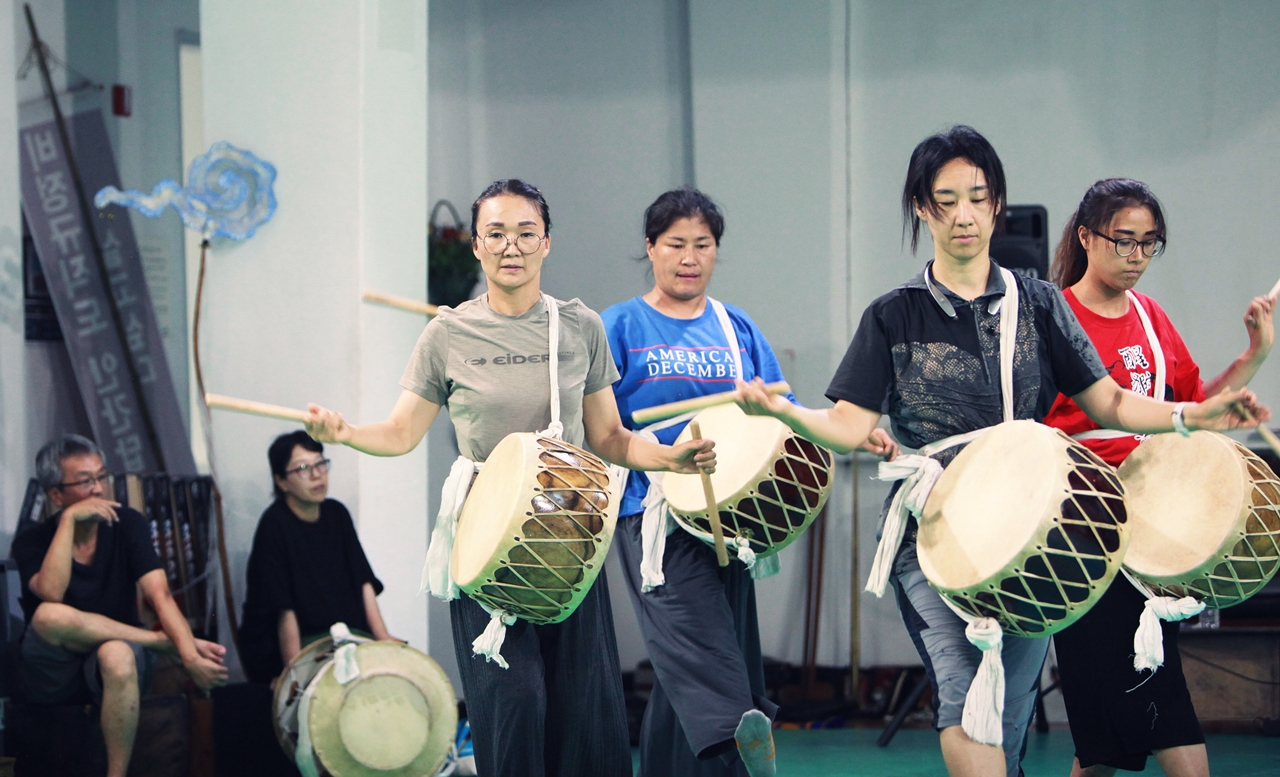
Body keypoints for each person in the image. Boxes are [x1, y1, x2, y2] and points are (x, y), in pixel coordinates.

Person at [733, 126, 1267, 777]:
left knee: (1008, 717)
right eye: (946, 199)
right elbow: (848, 424)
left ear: (996, 205)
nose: (964, 213)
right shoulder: (893, 315)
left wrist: (1193, 413)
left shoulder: (1038, 302)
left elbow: (1111, 403)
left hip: (1033, 530)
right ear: (923, 209)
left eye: (978, 197)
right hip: (934, 535)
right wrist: (787, 411)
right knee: (965, 700)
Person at [304, 179, 716, 777]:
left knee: (586, 715)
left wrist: (669, 458)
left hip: (572, 537)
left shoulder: (580, 327)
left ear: (546, 243)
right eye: (495, 233)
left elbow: (610, 438)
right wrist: (343, 435)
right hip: (485, 541)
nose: (511, 246)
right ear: (476, 246)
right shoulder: (447, 334)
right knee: (514, 702)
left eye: (525, 233)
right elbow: (399, 433)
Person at [601, 188, 894, 777]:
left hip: (728, 516)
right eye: (676, 244)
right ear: (650, 248)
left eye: (703, 245)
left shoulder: (734, 328)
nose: (690, 257)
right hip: (652, 509)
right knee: (704, 653)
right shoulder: (619, 326)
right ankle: (742, 746)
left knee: (689, 662)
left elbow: (781, 408)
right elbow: (602, 425)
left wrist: (848, 431)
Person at [1042, 178, 1273, 777]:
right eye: (1123, 241)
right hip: (1080, 529)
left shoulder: (1151, 317)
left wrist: (1254, 355)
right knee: (1151, 723)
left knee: (1100, 748)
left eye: (1149, 243)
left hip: (1147, 530)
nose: (1137, 256)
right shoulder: (1052, 318)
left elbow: (1192, 411)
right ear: (1086, 238)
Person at [12, 434, 228, 777]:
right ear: (56, 495)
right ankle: (157, 642)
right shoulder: (31, 540)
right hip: (52, 669)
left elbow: (160, 595)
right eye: (85, 482)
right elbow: (50, 593)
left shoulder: (127, 523)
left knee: (116, 653)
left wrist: (189, 657)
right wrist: (68, 522)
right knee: (49, 615)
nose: (99, 489)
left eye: (101, 477)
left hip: (119, 659)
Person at [239, 430, 396, 684]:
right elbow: (282, 608)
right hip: (296, 645)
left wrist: (383, 637)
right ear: (281, 481)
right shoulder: (274, 524)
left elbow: (363, 581)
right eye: (302, 468)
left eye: (320, 464)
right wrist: (294, 671)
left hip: (344, 636)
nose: (316, 475)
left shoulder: (337, 513)